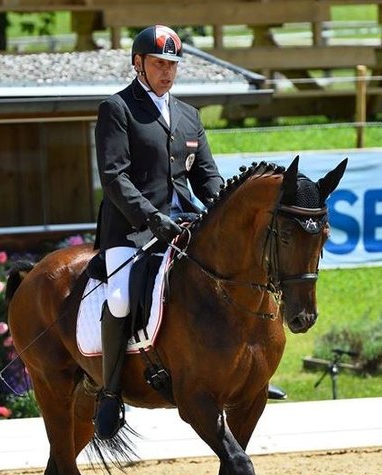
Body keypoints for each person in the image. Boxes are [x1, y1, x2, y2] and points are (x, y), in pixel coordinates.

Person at [92, 24, 224, 440]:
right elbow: (114, 176)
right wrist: (150, 217)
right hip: (130, 231)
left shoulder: (189, 116)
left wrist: (223, 211)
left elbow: (208, 180)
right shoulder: (118, 109)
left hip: (182, 226)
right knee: (118, 299)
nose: (167, 72)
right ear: (138, 64)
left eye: (172, 65)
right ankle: (110, 393)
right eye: (158, 64)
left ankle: (241, 378)